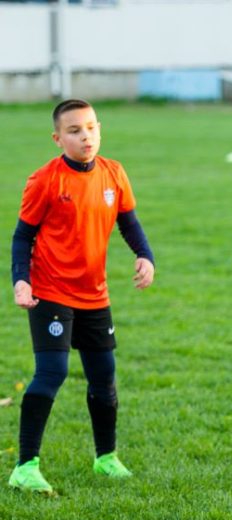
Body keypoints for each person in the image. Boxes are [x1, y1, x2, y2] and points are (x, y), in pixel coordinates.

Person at [8, 99, 155, 495]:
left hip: (94, 294)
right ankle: (25, 466)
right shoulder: (45, 180)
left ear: (99, 129)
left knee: (104, 377)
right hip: (49, 291)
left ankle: (106, 458)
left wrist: (145, 255)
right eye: (74, 131)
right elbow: (22, 236)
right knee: (52, 372)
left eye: (90, 127)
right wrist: (21, 281)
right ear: (58, 139)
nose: (85, 136)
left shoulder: (113, 173)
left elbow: (129, 222)